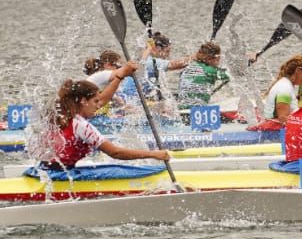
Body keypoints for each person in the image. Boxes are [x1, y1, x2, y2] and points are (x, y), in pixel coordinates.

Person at [33, 75, 171, 171]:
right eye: (95, 101)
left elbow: (103, 99)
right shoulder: (81, 125)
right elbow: (115, 153)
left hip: (44, 170)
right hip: (61, 177)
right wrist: (153, 154)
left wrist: (118, 78)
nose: (99, 105)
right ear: (83, 101)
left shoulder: (59, 114)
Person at [260, 55, 302, 128]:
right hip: (274, 133)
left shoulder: (287, 84)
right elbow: (283, 119)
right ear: (298, 71)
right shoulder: (285, 88)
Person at [177, 42, 229, 108]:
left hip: (181, 107)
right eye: (218, 59)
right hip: (197, 109)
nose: (218, 62)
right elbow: (230, 76)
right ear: (210, 59)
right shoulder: (211, 71)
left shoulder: (187, 67)